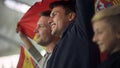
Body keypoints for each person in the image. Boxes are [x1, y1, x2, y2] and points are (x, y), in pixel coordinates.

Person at [47, 1, 100, 68]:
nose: (49, 21)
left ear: (71, 16)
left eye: (54, 15)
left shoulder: (80, 30)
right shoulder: (54, 53)